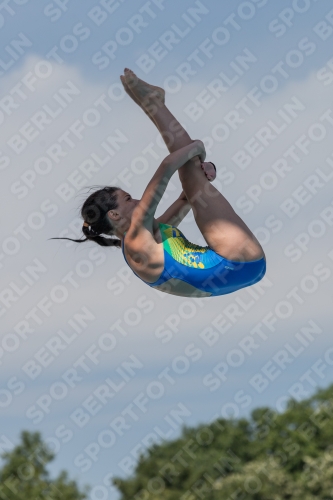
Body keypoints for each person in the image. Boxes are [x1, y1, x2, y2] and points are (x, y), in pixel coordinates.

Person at [51, 69, 266, 297]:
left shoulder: (149, 237)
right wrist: (198, 147)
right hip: (235, 260)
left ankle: (153, 103)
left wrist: (205, 174)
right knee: (189, 171)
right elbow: (167, 167)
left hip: (243, 267)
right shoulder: (135, 239)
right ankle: (154, 103)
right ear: (114, 215)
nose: (136, 201)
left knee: (193, 177)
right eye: (128, 199)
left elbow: (186, 198)